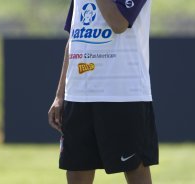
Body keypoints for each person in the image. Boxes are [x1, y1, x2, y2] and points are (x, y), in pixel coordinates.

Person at [48, 0, 159, 183]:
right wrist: (61, 95)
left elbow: (118, 24)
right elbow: (74, 36)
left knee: (134, 168)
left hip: (123, 94)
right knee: (76, 171)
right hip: (79, 94)